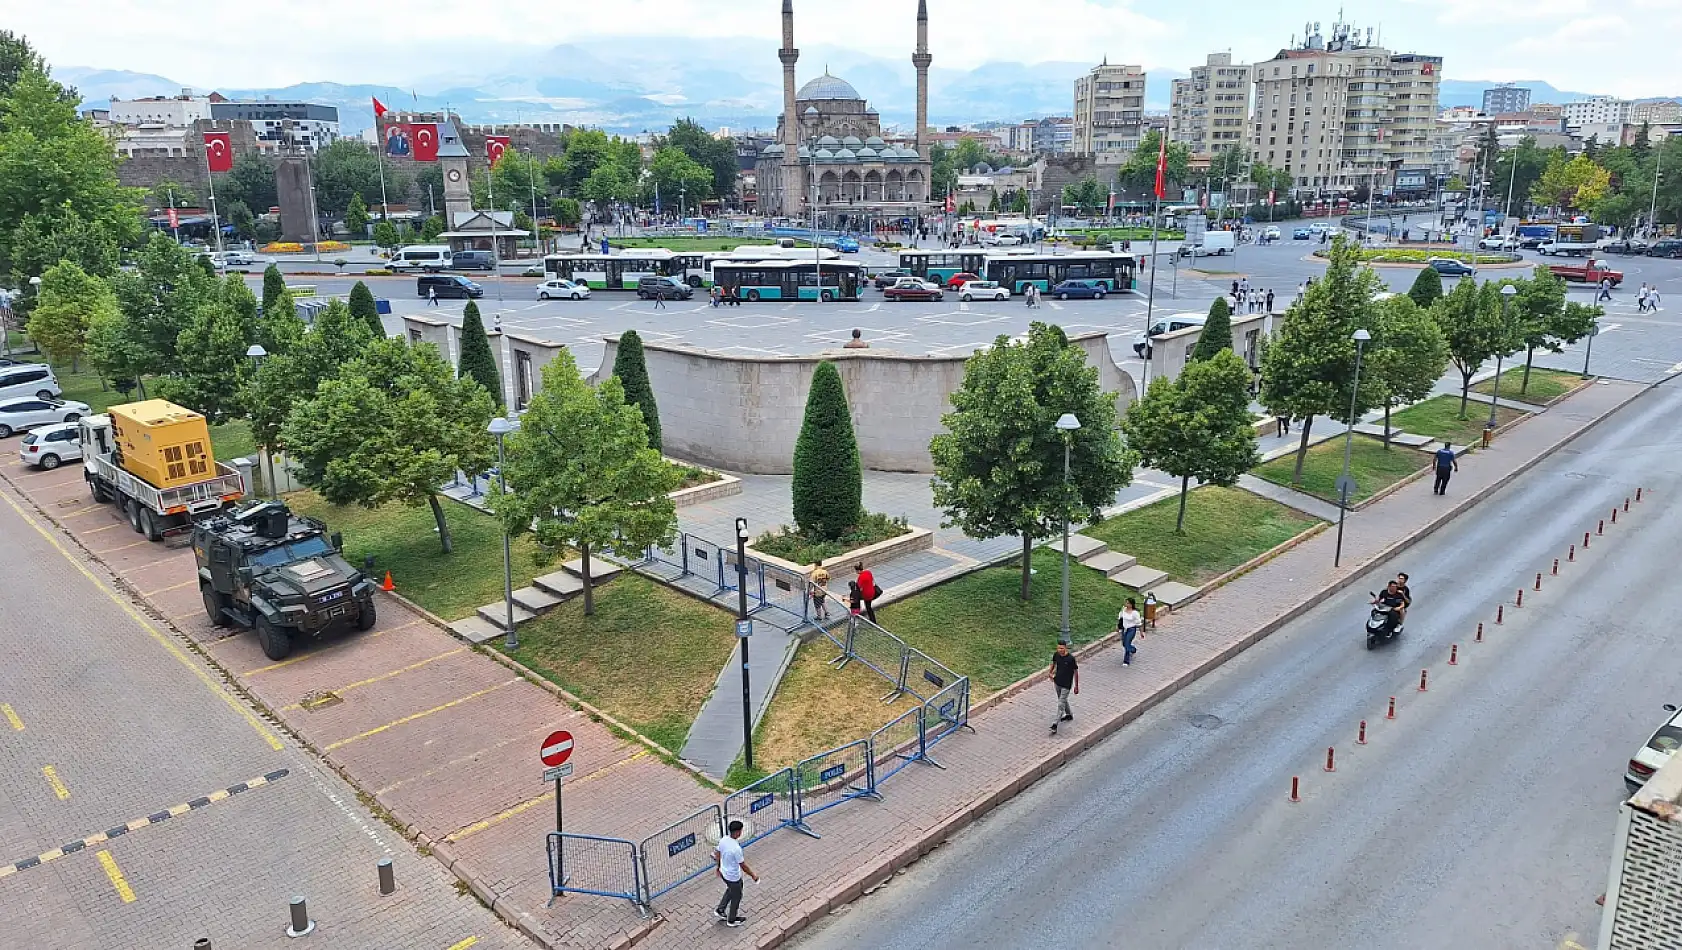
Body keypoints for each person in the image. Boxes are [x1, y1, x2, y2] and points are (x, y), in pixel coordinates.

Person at [713, 819, 758, 927]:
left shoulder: (724, 840)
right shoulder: (736, 849)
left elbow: (718, 853)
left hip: (724, 873)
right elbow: (743, 866)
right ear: (738, 832)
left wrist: (718, 867)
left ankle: (720, 909)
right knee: (737, 896)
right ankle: (732, 919)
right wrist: (753, 875)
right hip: (733, 877)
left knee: (731, 890)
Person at [1048, 641, 1079, 733]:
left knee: (1061, 703)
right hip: (1057, 682)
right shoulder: (1056, 655)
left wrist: (1076, 686)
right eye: (1058, 648)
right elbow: (1054, 664)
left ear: (1066, 648)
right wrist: (1050, 672)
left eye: (1062, 648)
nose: (1060, 650)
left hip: (1066, 684)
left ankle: (1055, 724)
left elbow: (1076, 672)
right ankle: (1069, 714)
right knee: (1062, 700)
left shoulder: (1071, 659)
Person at [1118, 597, 1142, 665]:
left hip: (1131, 630)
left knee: (1127, 644)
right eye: (1126, 602)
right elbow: (1120, 618)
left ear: (1131, 605)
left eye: (1127, 603)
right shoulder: (1123, 610)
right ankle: (1133, 649)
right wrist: (1118, 627)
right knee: (1124, 644)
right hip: (1124, 629)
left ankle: (1126, 661)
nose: (1126, 604)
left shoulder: (1135, 613)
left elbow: (1139, 623)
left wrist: (1141, 632)